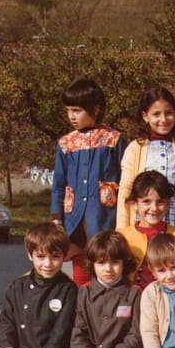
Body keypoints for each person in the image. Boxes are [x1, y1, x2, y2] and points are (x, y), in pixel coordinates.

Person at [51, 78, 126, 287]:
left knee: (104, 263)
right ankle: (81, 303)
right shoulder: (66, 144)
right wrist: (57, 218)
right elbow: (58, 184)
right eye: (68, 111)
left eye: (77, 110)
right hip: (74, 217)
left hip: (103, 215)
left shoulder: (113, 139)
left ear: (95, 109)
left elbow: (124, 179)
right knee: (80, 266)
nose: (71, 116)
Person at [116, 87, 175, 239]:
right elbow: (125, 190)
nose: (163, 119)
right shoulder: (135, 148)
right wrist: (121, 228)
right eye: (156, 114)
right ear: (145, 116)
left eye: (168, 113)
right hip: (142, 224)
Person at [118, 170, 175, 290]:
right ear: (134, 204)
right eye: (146, 201)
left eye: (160, 202)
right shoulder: (122, 237)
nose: (154, 208)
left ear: (168, 203)